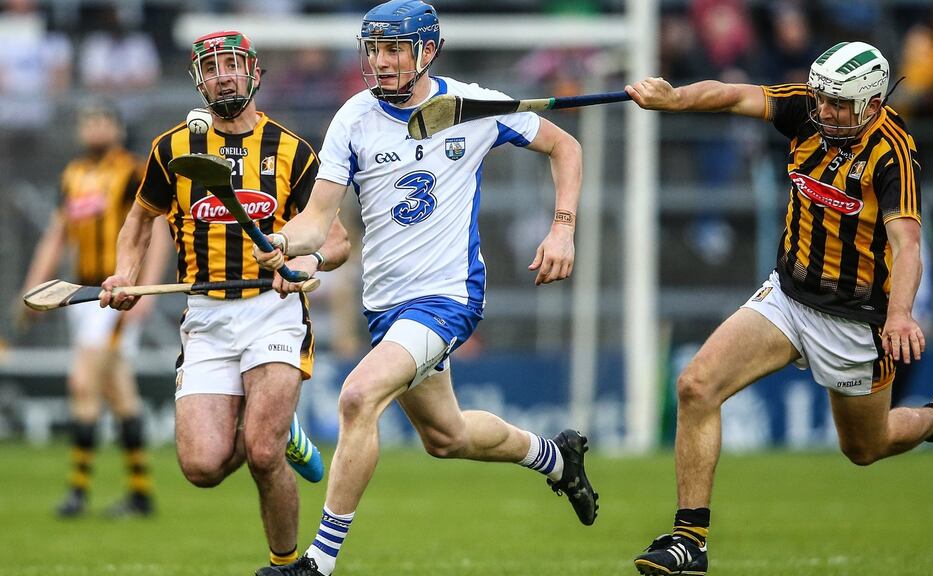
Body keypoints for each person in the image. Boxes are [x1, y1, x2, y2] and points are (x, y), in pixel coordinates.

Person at [253, 2, 596, 575]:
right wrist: (285, 243)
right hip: (387, 308)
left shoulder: (471, 106)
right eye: (374, 50)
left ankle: (318, 563)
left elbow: (566, 146)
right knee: (447, 436)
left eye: (394, 50)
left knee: (358, 396)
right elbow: (316, 220)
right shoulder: (353, 119)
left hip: (447, 298)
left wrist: (562, 228)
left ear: (427, 51)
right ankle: (556, 459)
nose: (381, 62)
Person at [625, 41, 933, 575]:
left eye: (838, 104)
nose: (823, 110)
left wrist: (901, 314)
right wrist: (676, 99)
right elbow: (733, 95)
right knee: (696, 386)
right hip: (787, 298)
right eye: (821, 98)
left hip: (855, 320)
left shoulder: (893, 152)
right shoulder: (808, 109)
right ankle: (690, 541)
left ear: (873, 104)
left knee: (865, 447)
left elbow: (907, 244)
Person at [99, 30, 350, 567]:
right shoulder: (172, 149)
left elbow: (336, 240)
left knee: (261, 451)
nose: (224, 76)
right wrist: (124, 274)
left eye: (233, 65)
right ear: (199, 81)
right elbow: (139, 221)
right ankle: (281, 429)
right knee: (202, 467)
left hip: (273, 310)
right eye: (212, 69)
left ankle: (286, 566)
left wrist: (305, 264)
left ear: (254, 72)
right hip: (207, 315)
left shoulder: (291, 150)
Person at [17, 100, 168, 518]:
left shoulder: (133, 171)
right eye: (88, 121)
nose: (95, 127)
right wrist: (35, 288)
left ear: (118, 128)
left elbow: (155, 230)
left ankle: (78, 491)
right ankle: (140, 493)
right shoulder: (73, 175)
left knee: (83, 382)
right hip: (82, 295)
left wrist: (145, 290)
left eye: (103, 120)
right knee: (118, 390)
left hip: (116, 294)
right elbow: (57, 235)